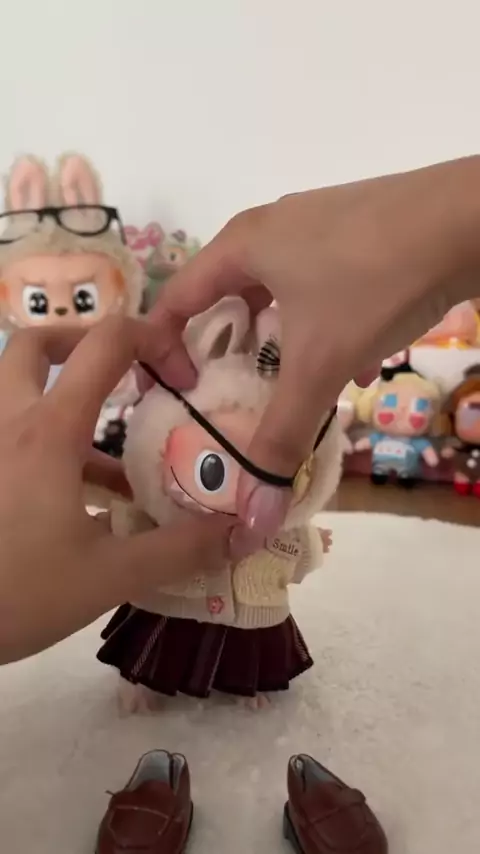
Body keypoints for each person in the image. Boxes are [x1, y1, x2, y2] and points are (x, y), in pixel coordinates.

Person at [1, 155, 479, 666]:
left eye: (290, 472)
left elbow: (300, 551)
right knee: (156, 660)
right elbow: (120, 526)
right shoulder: (143, 526)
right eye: (214, 469)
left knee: (250, 666)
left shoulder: (278, 535)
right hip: (162, 619)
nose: (243, 492)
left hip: (256, 624)